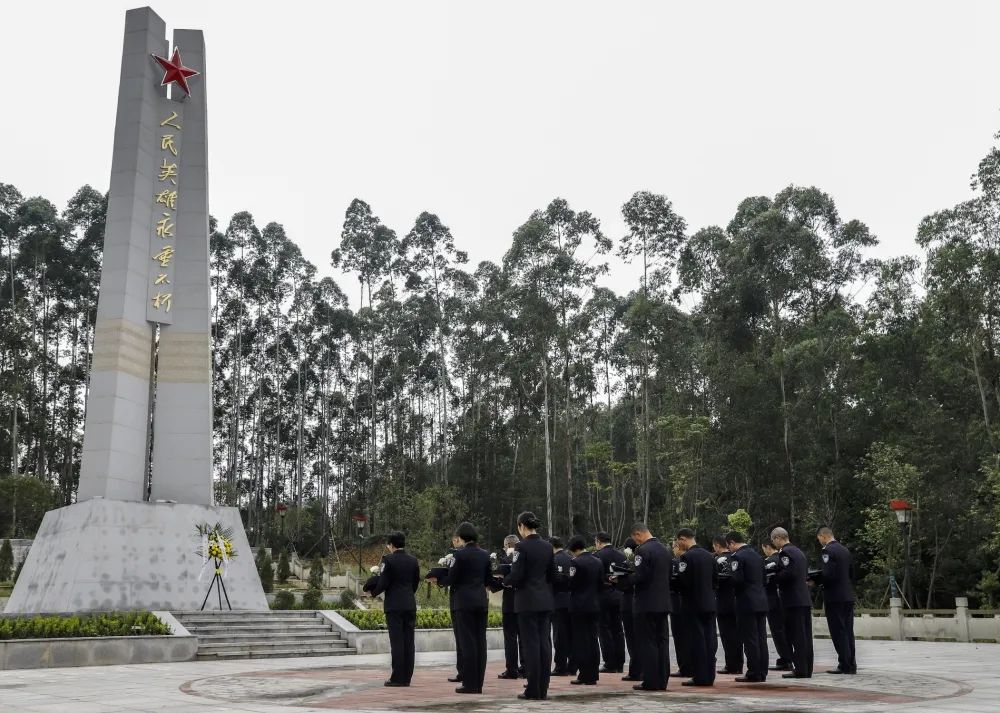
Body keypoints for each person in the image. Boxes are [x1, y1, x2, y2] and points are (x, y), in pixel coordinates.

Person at [613, 522, 672, 692]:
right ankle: (662, 679)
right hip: (663, 602)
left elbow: (641, 576)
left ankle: (651, 680)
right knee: (662, 642)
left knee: (648, 642)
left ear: (638, 534)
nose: (636, 542)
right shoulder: (665, 549)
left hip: (646, 603)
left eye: (635, 539)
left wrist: (621, 580)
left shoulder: (643, 550)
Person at [504, 511, 556, 701]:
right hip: (545, 600)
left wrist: (505, 580)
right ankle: (543, 688)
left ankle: (533, 689)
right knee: (544, 644)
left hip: (527, 601)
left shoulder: (521, 547)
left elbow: (517, 575)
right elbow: (552, 576)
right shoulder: (547, 546)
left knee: (531, 646)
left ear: (521, 526)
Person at [442, 522, 492, 694]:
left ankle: (470, 684)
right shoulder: (485, 555)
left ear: (461, 537)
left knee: (468, 643)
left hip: (463, 602)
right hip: (481, 601)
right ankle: (479, 683)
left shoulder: (459, 555)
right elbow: (488, 580)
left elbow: (452, 578)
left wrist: (439, 580)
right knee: (480, 642)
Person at [372, 531, 421, 687]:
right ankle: (407, 677)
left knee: (397, 642)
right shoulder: (413, 560)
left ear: (391, 545)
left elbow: (384, 582)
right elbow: (415, 582)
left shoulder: (389, 560)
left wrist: (373, 592)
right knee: (409, 641)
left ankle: (397, 677)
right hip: (409, 604)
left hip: (394, 605)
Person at [675, 527, 717, 687]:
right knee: (710, 640)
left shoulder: (686, 557)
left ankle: (700, 676)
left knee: (697, 640)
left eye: (679, 541)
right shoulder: (709, 556)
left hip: (692, 604)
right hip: (709, 603)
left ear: (683, 539)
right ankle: (710, 675)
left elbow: (683, 582)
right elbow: (715, 580)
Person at [771, 527, 814, 678]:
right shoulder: (799, 552)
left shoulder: (785, 552)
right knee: (805, 636)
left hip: (792, 599)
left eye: (773, 541)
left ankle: (801, 669)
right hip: (803, 598)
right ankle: (807, 668)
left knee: (797, 636)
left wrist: (774, 577)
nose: (774, 544)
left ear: (778, 538)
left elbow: (788, 573)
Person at [726, 531, 769, 683]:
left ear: (732, 543)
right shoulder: (758, 556)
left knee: (750, 638)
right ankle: (762, 670)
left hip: (746, 601)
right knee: (761, 638)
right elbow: (764, 579)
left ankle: (753, 671)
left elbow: (737, 579)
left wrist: (727, 578)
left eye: (729, 546)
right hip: (761, 600)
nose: (729, 550)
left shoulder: (737, 557)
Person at [817, 526, 857, 675]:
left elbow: (828, 574)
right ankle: (851, 663)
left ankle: (844, 664)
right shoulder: (845, 550)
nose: (819, 541)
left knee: (838, 631)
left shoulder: (828, 551)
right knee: (848, 630)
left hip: (834, 596)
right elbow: (852, 573)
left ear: (823, 536)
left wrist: (817, 581)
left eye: (819, 538)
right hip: (847, 595)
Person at [567, 535, 603, 685]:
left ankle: (584, 674)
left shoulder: (576, 562)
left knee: (581, 641)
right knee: (593, 639)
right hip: (595, 605)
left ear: (574, 549)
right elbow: (601, 583)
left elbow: (571, 584)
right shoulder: (598, 561)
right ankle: (594, 673)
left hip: (579, 606)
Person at [491, 534, 525, 680]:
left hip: (510, 604)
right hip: (524, 602)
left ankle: (511, 669)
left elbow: (500, 580)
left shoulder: (504, 561)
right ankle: (525, 668)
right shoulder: (525, 558)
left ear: (507, 546)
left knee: (510, 637)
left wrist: (491, 585)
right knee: (524, 637)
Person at [592, 532, 626, 673]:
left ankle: (609, 662)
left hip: (603, 596)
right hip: (619, 596)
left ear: (598, 541)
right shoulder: (621, 555)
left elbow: (596, 578)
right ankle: (620, 662)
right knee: (618, 630)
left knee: (604, 629)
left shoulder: (597, 556)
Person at [713, 535, 743, 675]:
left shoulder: (717, 560)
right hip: (736, 600)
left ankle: (731, 664)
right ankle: (738, 664)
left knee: (727, 635)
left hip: (723, 601)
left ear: (717, 546)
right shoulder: (735, 556)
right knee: (737, 634)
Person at [761, 541, 793, 671]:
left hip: (772, 599)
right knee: (785, 630)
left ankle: (785, 658)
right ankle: (789, 656)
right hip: (784, 599)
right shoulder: (782, 558)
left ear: (767, 547)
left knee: (777, 631)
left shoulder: (768, 561)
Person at [618, 537, 642, 682]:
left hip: (628, 602)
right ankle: (639, 669)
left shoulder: (630, 562)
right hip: (636, 601)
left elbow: (625, 583)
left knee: (632, 638)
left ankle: (635, 670)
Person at [550, 536, 575, 677]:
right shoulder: (571, 558)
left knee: (559, 636)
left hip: (558, 600)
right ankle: (572, 666)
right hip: (571, 600)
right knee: (571, 635)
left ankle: (560, 666)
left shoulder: (553, 560)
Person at [669, 540, 692, 679]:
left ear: (678, 547)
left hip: (677, 601)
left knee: (680, 636)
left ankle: (685, 667)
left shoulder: (677, 562)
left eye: (673, 547)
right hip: (688, 601)